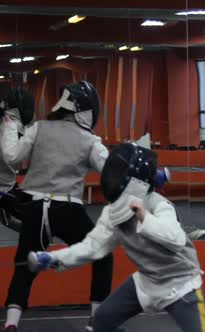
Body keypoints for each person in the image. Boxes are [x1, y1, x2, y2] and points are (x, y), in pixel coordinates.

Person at [28, 143, 205, 332]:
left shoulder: (159, 205)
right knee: (100, 322)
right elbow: (92, 247)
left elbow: (176, 239)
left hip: (180, 284)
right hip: (147, 281)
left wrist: (144, 217)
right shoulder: (112, 213)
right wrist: (54, 258)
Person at [0, 81, 113, 332]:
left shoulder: (39, 128)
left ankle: (10, 324)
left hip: (33, 206)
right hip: (67, 209)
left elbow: (11, 157)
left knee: (24, 265)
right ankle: (97, 321)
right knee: (102, 254)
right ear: (85, 109)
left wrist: (9, 123)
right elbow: (110, 172)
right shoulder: (89, 140)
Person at [0, 88, 35, 232]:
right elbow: (10, 155)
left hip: (7, 186)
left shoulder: (8, 122)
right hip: (4, 190)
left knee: (27, 222)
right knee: (34, 221)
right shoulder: (10, 125)